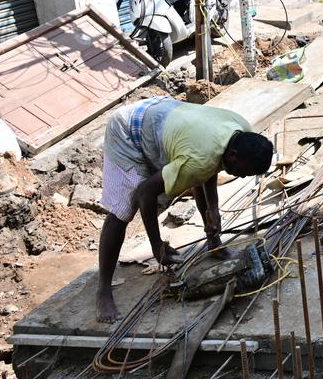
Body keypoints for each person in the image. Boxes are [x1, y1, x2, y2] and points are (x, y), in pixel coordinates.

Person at [96, 96, 275, 322]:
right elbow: (145, 192)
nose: (240, 176)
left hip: (162, 113)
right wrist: (156, 245)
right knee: (122, 210)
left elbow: (209, 167)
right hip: (129, 129)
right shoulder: (200, 158)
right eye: (242, 171)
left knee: (197, 169)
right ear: (233, 156)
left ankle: (214, 245)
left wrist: (214, 209)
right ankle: (103, 291)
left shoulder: (243, 132)